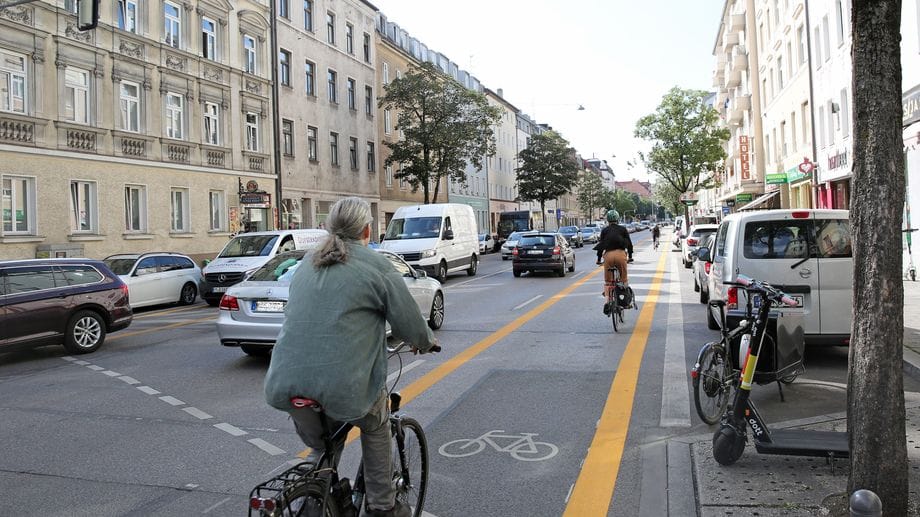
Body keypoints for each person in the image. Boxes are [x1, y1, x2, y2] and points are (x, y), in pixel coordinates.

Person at [263, 197, 438, 517]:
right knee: (375, 425)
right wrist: (425, 342)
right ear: (367, 230)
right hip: (346, 386)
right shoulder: (377, 266)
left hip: (286, 382)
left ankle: (313, 499)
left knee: (323, 445)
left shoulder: (308, 262)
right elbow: (411, 323)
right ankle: (382, 506)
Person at [593, 209, 634, 314]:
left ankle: (607, 301)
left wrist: (598, 259)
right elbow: (629, 244)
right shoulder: (623, 229)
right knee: (623, 278)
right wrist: (630, 256)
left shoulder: (605, 231)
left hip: (608, 256)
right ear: (618, 219)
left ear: (608, 220)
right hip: (621, 255)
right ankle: (626, 302)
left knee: (608, 281)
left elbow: (601, 246)